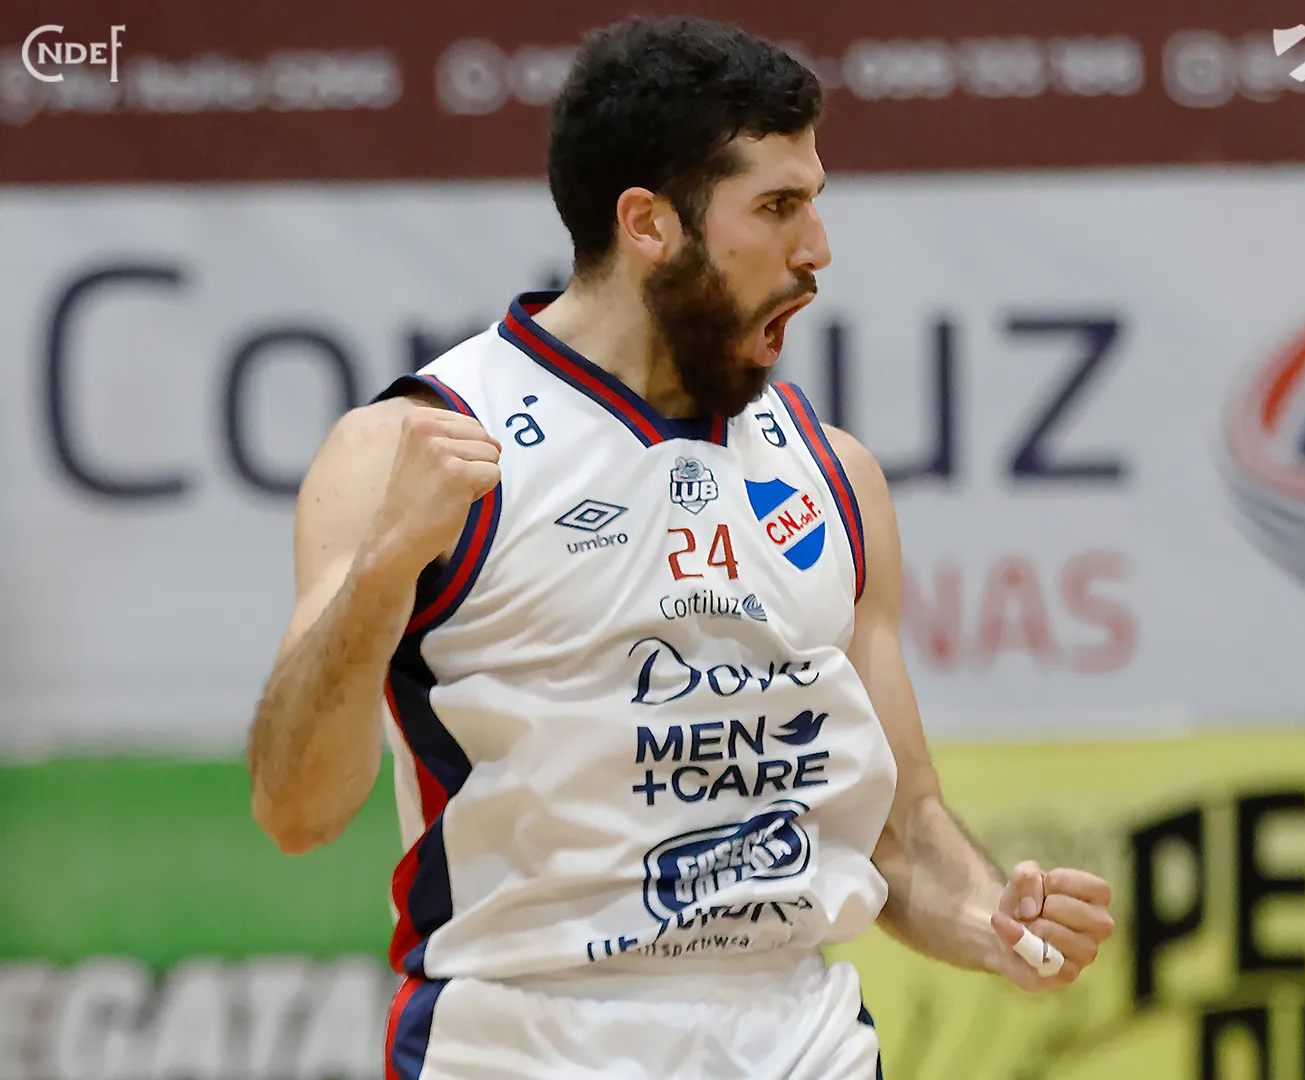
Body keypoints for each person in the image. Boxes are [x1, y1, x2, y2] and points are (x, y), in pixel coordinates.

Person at [246, 15, 1114, 1079]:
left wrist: (991, 918)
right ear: (649, 223)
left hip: (802, 1043)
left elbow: (899, 828)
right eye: (778, 207)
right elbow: (295, 809)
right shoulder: (421, 445)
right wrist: (386, 567)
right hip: (526, 1044)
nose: (817, 249)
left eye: (815, 202)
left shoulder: (834, 474)